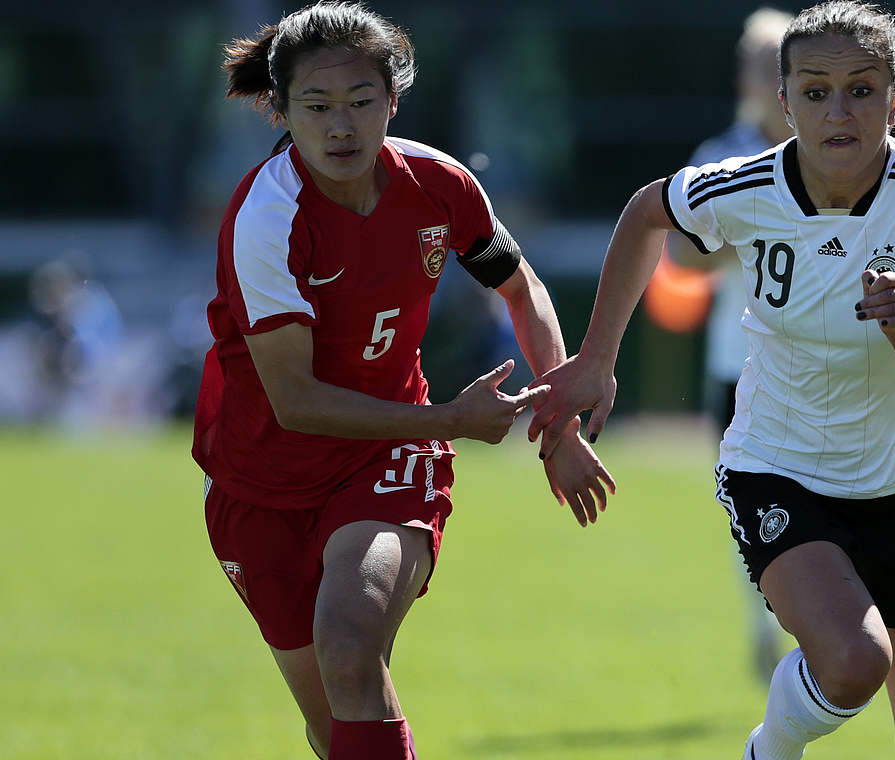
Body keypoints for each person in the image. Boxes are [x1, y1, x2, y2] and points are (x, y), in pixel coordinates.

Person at [528, 2, 895, 758]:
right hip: (782, 467)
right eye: (815, 92)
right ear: (784, 102)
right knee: (854, 661)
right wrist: (596, 360)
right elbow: (648, 211)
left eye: (862, 89)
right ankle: (768, 750)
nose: (838, 111)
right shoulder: (747, 184)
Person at [191, 4, 614, 759]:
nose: (341, 126)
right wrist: (453, 420)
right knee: (334, 723)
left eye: (361, 101)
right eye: (317, 106)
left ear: (393, 100)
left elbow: (520, 288)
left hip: (388, 456)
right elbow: (296, 402)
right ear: (281, 110)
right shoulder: (266, 218)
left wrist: (559, 423)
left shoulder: (439, 184)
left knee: (349, 647)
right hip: (258, 480)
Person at [661, 5, 794, 683]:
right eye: (757, 64)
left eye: (776, 64)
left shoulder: (834, 151)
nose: (766, 78)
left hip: (821, 363)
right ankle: (764, 623)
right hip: (736, 362)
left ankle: (813, 622)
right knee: (750, 506)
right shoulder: (720, 156)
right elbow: (681, 251)